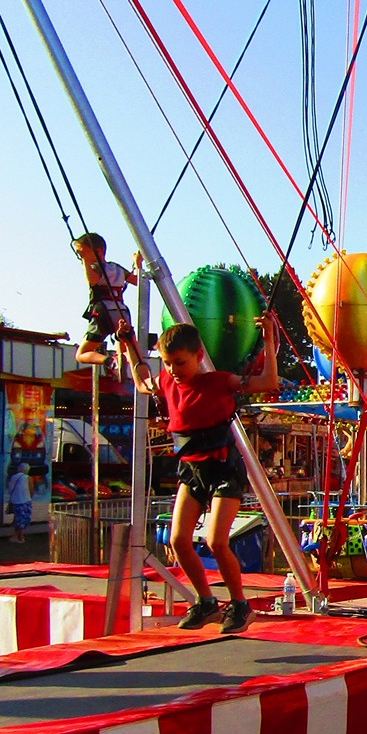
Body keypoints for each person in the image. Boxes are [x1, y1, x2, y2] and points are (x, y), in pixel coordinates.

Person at [133, 322, 273, 631]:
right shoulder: (167, 383)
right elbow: (142, 382)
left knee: (216, 541)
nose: (173, 370)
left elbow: (267, 381)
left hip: (223, 468)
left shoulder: (219, 382)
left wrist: (269, 339)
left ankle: (240, 605)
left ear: (198, 355)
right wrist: (125, 344)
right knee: (179, 540)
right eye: (168, 363)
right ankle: (206, 602)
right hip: (193, 470)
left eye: (180, 363)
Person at [74, 233, 141, 369]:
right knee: (125, 345)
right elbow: (138, 281)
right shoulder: (116, 268)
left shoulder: (95, 267)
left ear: (98, 252)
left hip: (103, 312)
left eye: (82, 253)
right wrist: (138, 264)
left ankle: (110, 361)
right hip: (121, 312)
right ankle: (127, 363)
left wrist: (86, 260)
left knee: (82, 354)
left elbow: (92, 281)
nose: (81, 257)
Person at [6, 462, 33, 544]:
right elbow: (31, 489)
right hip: (25, 500)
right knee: (24, 519)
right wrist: (30, 497)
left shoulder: (13, 477)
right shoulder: (27, 478)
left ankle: (19, 536)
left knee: (18, 519)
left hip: (15, 501)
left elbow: (10, 489)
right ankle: (18, 536)